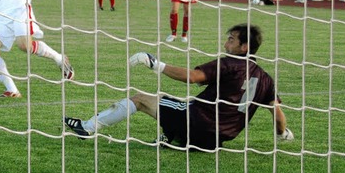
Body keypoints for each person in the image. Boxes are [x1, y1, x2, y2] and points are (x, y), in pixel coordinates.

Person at [64, 24, 294, 150]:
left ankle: (87, 127)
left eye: (232, 40)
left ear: (244, 47)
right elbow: (278, 114)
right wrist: (282, 134)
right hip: (218, 140)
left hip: (199, 124)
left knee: (141, 99)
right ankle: (172, 139)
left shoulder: (229, 64)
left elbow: (193, 77)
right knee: (178, 103)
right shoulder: (266, 79)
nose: (226, 43)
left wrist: (156, 64)